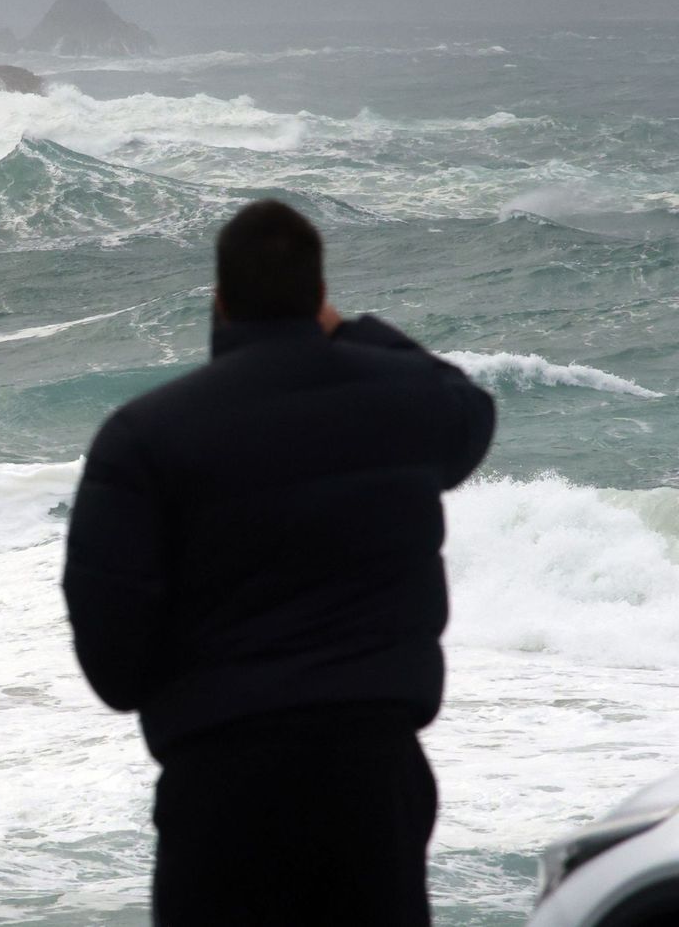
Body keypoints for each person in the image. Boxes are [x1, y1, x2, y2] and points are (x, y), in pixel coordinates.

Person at [60, 199, 496, 926]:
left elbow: (113, 656)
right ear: (320, 297)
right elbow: (468, 410)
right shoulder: (402, 399)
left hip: (222, 784)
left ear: (220, 301)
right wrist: (352, 333)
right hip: (373, 773)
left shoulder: (142, 436)